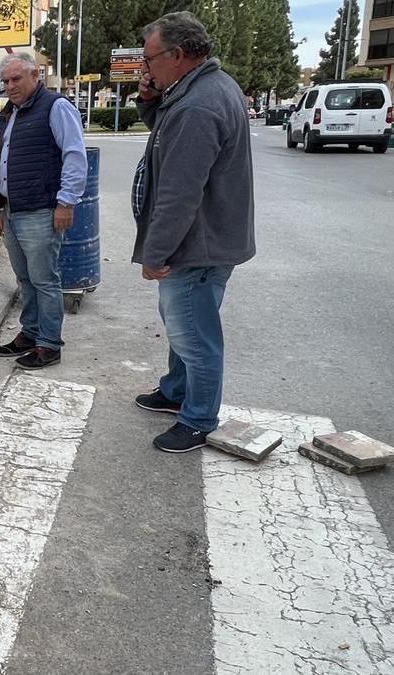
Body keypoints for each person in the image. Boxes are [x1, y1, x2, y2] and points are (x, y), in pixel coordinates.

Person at [130, 11, 255, 453]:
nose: (146, 68)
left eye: (150, 59)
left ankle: (199, 418)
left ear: (178, 55)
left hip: (196, 245)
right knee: (181, 322)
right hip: (207, 239)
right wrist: (149, 100)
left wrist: (155, 253)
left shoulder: (198, 104)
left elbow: (180, 192)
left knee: (194, 334)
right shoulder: (197, 90)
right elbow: (166, 141)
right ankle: (175, 391)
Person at [0, 53, 87, 369]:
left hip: (42, 210)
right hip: (13, 211)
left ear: (35, 75)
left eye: (16, 79)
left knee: (45, 280)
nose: (10, 86)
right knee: (25, 279)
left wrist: (66, 202)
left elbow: (74, 155)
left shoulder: (56, 107)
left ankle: (49, 344)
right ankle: (30, 334)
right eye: (5, 81)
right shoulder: (10, 113)